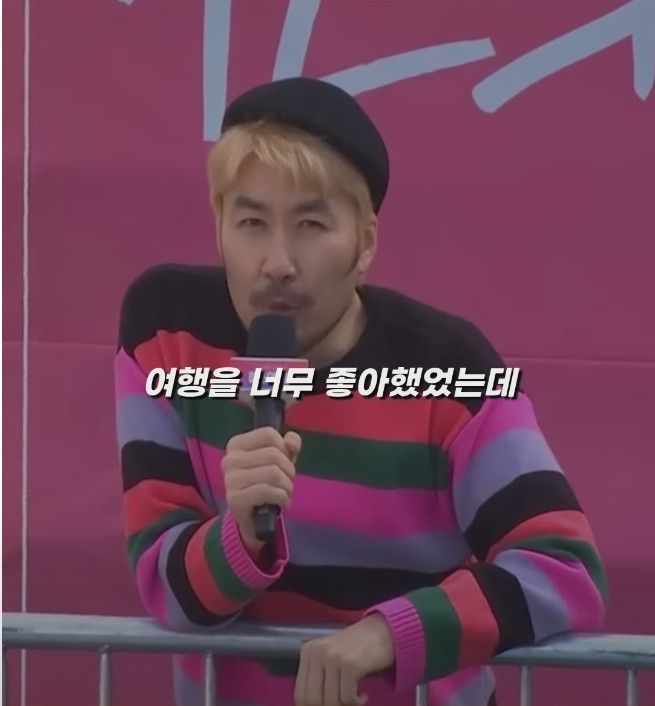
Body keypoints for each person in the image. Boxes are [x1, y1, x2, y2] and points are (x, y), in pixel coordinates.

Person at [114, 77, 608, 706]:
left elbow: (564, 568)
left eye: (311, 224)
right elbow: (165, 586)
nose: (277, 262)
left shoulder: (450, 368)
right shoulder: (166, 333)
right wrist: (241, 535)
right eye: (252, 223)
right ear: (219, 230)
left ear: (365, 241)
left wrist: (388, 634)